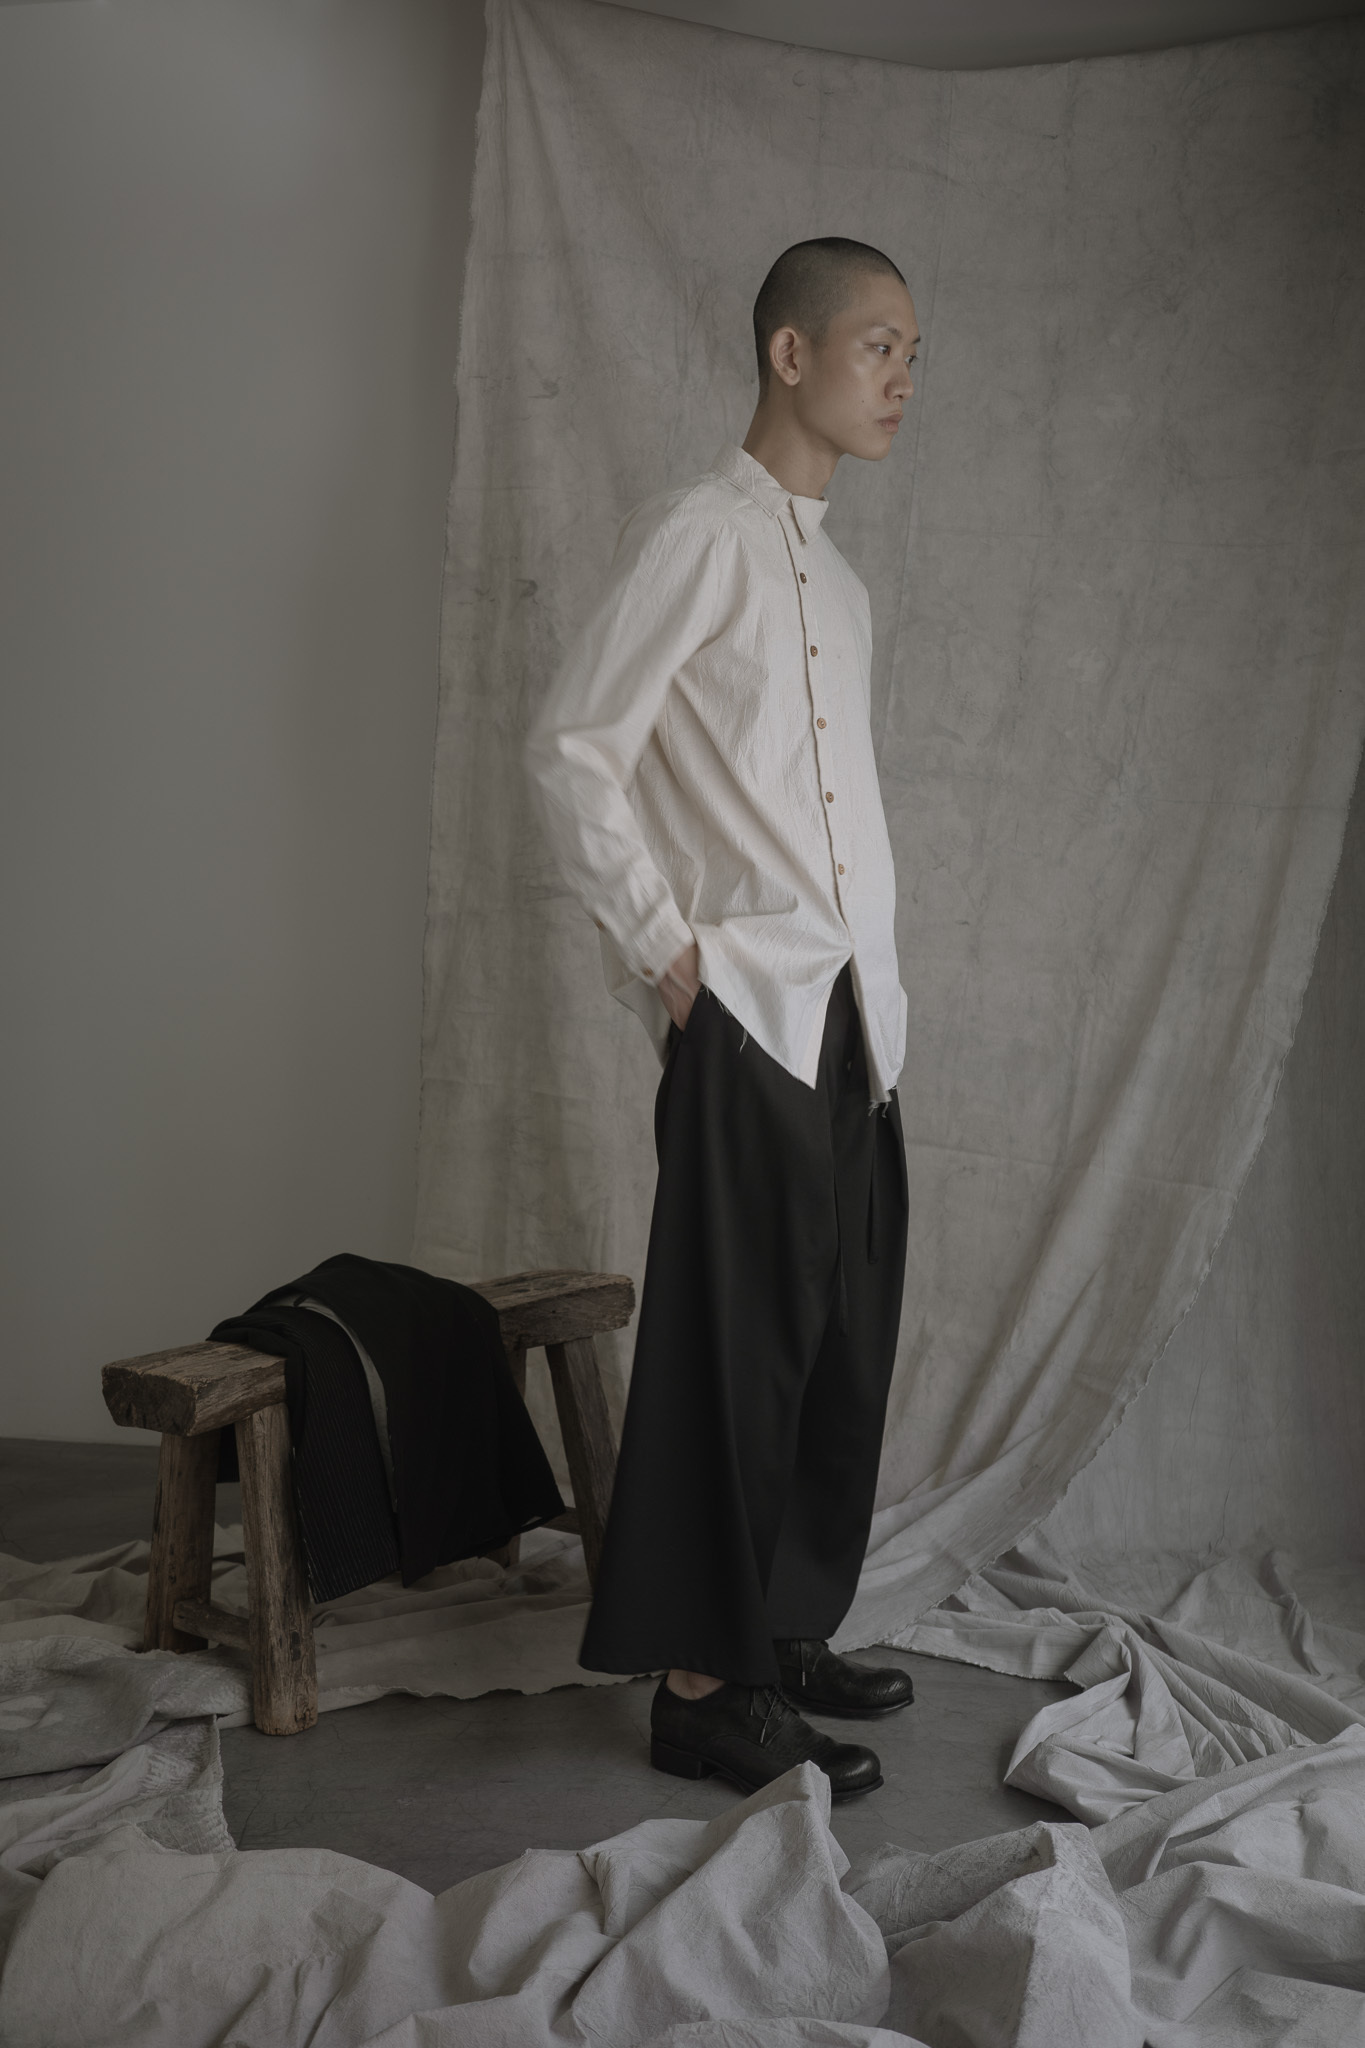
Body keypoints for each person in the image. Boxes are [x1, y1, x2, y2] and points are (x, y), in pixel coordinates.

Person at [525, 238, 918, 1801]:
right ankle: (699, 1688)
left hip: (851, 1009)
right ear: (788, 352)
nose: (902, 379)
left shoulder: (841, 584)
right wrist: (660, 948)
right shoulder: (696, 535)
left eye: (912, 354)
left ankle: (779, 1628)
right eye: (879, 345)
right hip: (746, 1003)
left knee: (838, 1340)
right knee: (733, 1352)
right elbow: (572, 745)